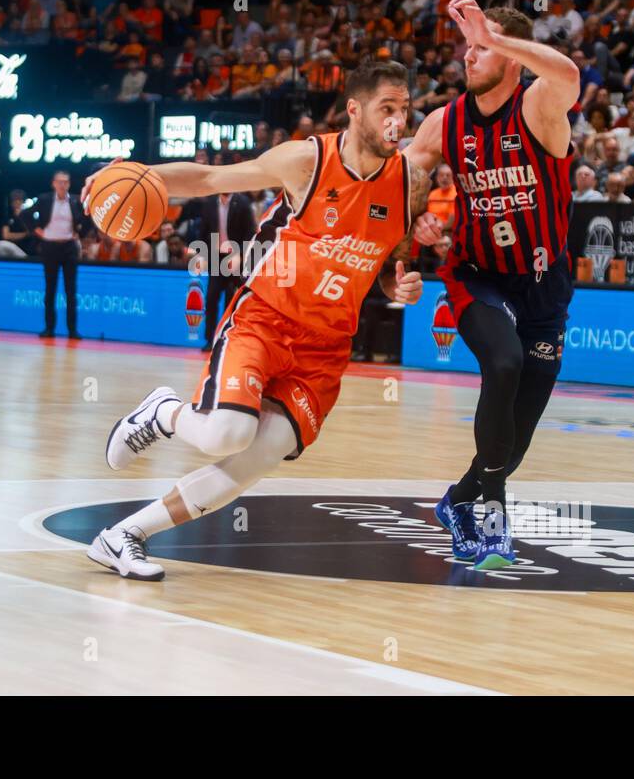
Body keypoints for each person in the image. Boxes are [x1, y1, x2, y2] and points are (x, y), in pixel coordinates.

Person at [81, 62, 432, 581]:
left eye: (404, 110)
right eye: (387, 109)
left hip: (326, 349)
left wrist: (397, 286)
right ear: (354, 110)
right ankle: (165, 413)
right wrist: (134, 175)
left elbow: (388, 260)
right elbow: (209, 179)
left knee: (253, 461)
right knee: (227, 435)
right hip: (266, 319)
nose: (397, 122)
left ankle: (123, 536)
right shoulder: (306, 160)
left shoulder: (411, 182)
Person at [404, 0, 580, 571]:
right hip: (477, 275)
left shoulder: (539, 107)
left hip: (543, 284)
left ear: (510, 57)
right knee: (502, 365)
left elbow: (569, 73)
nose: (469, 55)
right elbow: (406, 173)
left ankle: (459, 500)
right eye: (469, 45)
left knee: (516, 437)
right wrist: (415, 220)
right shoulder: (446, 120)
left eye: (481, 46)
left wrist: (498, 37)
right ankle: (493, 517)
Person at [182, 188, 257, 348]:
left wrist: (242, 255)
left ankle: (228, 339)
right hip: (216, 258)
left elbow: (250, 232)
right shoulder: (209, 203)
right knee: (211, 298)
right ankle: (210, 340)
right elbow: (203, 231)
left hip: (235, 257)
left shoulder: (242, 203)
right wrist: (201, 253)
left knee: (232, 301)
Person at [29, 169, 86, 339]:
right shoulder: (45, 200)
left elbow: (87, 219)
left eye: (66, 182)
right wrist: (38, 231)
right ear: (53, 183)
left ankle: (72, 330)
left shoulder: (75, 201)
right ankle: (49, 329)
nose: (63, 185)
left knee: (71, 291)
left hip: (69, 248)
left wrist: (80, 235)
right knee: (50, 290)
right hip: (50, 247)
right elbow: (26, 215)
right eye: (59, 182)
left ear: (69, 184)